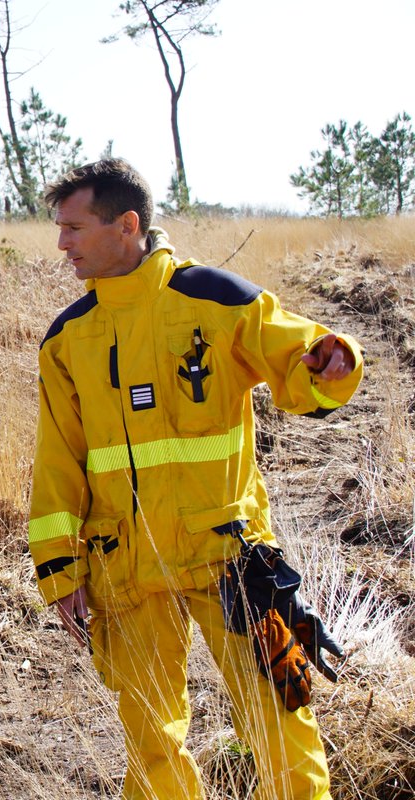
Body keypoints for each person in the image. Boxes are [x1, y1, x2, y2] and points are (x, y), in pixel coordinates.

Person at [29, 158, 362, 799]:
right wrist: (60, 570)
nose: (62, 243)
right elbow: (58, 463)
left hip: (231, 558)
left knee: (280, 715)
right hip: (124, 568)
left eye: (73, 227)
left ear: (126, 225)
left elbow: (305, 361)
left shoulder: (215, 299)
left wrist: (332, 360)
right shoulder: (66, 341)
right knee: (153, 742)